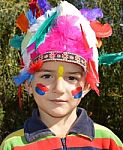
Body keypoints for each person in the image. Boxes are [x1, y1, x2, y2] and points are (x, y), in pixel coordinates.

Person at [1, 0, 123, 150]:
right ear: (28, 84)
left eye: (71, 78)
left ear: (86, 86)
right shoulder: (13, 145)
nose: (59, 88)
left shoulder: (108, 142)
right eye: (46, 76)